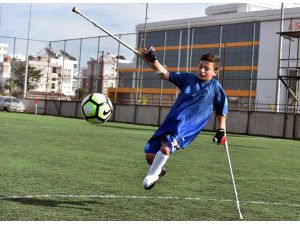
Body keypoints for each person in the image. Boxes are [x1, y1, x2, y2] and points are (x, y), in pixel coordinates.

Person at [141, 47, 228, 190]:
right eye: (200, 67)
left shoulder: (215, 87)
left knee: (167, 148)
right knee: (150, 155)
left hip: (187, 128)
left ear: (215, 72)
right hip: (171, 121)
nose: (202, 71)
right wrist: (152, 59)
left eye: (207, 68)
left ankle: (151, 176)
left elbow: (221, 110)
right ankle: (157, 171)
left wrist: (221, 130)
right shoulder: (188, 79)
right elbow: (165, 74)